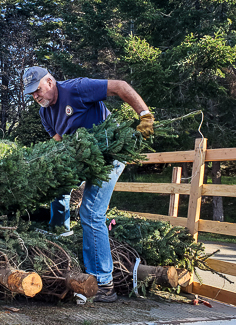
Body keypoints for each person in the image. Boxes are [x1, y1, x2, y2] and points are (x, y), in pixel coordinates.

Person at [23, 66, 154, 302]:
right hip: (85, 160)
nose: (36, 96)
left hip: (110, 154)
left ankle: (104, 283)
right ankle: (60, 233)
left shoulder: (77, 88)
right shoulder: (45, 113)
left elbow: (121, 86)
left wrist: (144, 115)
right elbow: (59, 142)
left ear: (50, 82)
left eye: (38, 90)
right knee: (59, 190)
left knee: (91, 212)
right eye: (31, 93)